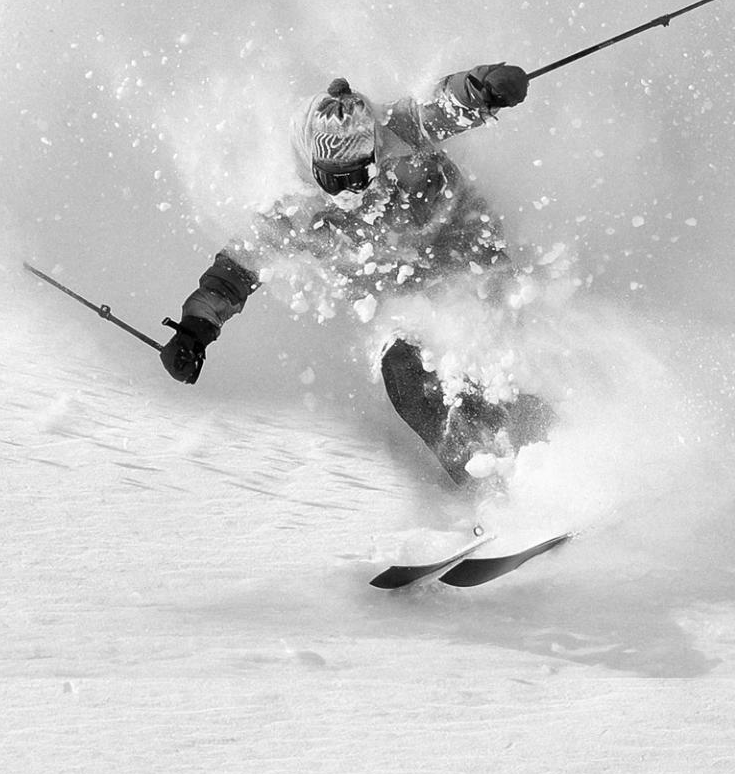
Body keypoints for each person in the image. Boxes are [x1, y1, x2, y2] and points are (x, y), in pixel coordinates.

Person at [158, 63, 551, 483]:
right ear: (314, 169)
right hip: (404, 298)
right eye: (336, 180)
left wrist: (484, 87)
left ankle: (546, 442)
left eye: (363, 174)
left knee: (486, 353)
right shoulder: (295, 209)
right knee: (405, 374)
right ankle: (482, 479)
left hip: (466, 260)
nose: (352, 190)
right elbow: (236, 269)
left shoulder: (398, 131)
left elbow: (448, 104)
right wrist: (194, 330)